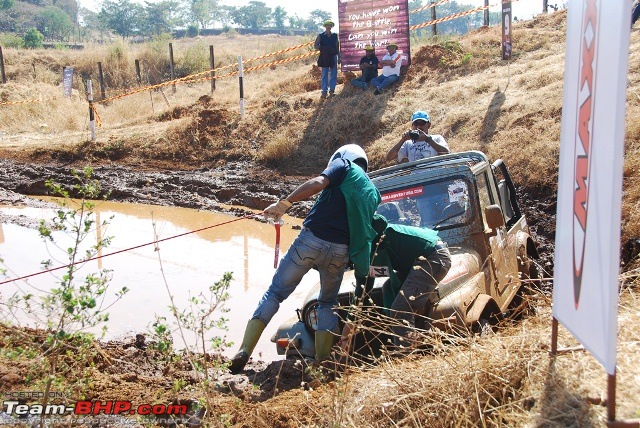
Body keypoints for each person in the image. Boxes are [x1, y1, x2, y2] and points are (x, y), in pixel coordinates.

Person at [229, 144, 382, 373]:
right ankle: (321, 363)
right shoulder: (373, 193)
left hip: (311, 241)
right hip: (341, 252)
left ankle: (244, 350)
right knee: (327, 303)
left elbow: (317, 183)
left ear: (340, 157)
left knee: (276, 292)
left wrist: (284, 204)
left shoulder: (343, 165)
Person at [339, 214, 451, 352]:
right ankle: (401, 341)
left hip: (433, 256)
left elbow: (380, 221)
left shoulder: (368, 236)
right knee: (388, 289)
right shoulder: (362, 257)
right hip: (414, 262)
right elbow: (362, 296)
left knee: (400, 309)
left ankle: (407, 356)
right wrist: (346, 336)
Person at [314, 20, 340, 99]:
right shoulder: (321, 35)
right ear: (325, 26)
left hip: (333, 56)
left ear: (332, 27)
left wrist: (339, 57)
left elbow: (337, 47)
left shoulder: (335, 36)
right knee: (324, 74)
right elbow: (316, 45)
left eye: (330, 25)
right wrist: (323, 48)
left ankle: (332, 91)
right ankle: (324, 91)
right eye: (327, 25)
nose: (329, 27)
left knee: (333, 73)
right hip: (324, 57)